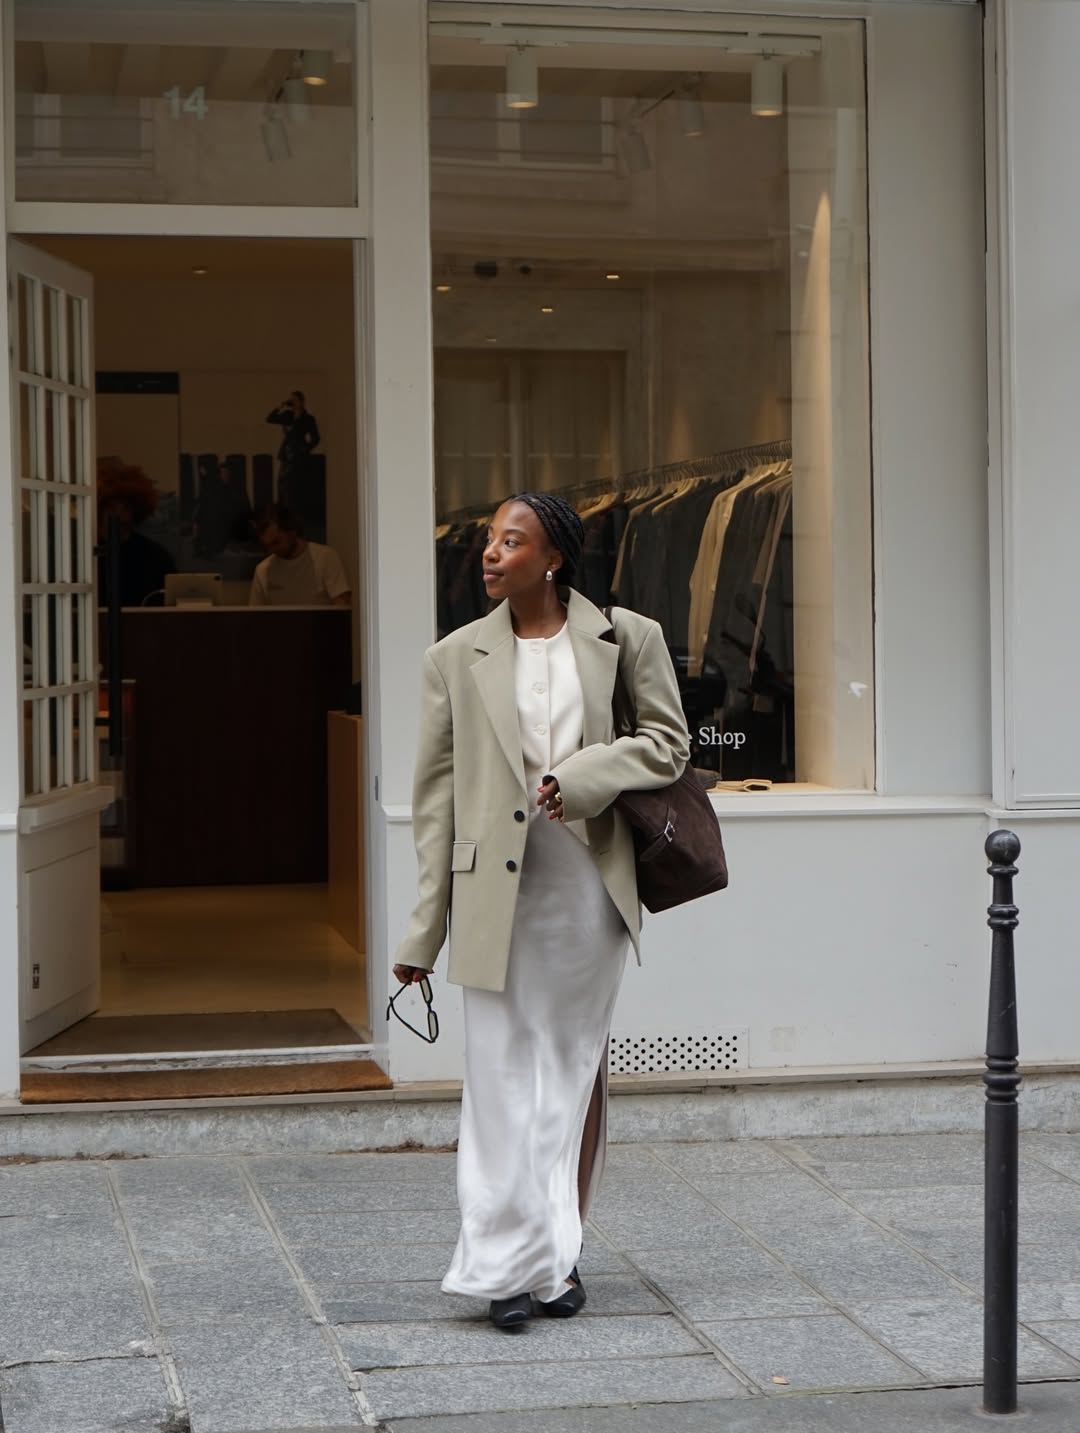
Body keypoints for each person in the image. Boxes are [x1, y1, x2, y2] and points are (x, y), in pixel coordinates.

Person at [392, 492, 690, 1330]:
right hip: (495, 896)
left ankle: (551, 1262)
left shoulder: (626, 638)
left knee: (562, 1079)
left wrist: (584, 776)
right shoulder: (453, 657)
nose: (490, 553)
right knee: (496, 1084)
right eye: (489, 540)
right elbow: (435, 805)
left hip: (586, 893)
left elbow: (669, 743)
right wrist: (423, 930)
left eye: (510, 541)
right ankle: (503, 1268)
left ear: (553, 556)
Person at [96, 458, 176, 608]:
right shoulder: (80, 557)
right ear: (99, 510)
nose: (118, 514)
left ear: (136, 510)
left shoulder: (156, 556)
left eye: (125, 507)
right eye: (111, 507)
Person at [249, 504, 350, 607]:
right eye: (267, 546)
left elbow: (341, 606)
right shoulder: (263, 570)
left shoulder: (325, 557)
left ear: (292, 532)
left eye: (276, 542)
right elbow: (255, 616)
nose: (272, 550)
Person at [266, 390, 320, 509]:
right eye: (291, 400)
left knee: (296, 486)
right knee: (282, 484)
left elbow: (316, 438)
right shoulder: (287, 415)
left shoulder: (309, 419)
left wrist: (305, 448)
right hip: (286, 453)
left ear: (302, 402)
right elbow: (269, 419)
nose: (293, 402)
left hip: (299, 456)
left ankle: (295, 513)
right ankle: (284, 512)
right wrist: (280, 406)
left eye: (295, 400)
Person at [193, 462, 254, 557]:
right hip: (219, 520)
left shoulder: (236, 487)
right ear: (219, 474)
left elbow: (243, 504)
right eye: (222, 473)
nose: (225, 475)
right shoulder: (215, 487)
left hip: (231, 518)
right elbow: (207, 503)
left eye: (226, 473)